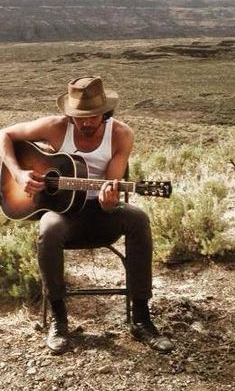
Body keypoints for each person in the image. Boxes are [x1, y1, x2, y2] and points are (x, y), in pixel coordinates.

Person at [0, 76, 174, 355]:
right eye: (80, 117)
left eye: (92, 116)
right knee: (49, 228)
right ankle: (59, 320)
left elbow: (111, 191)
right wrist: (19, 173)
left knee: (138, 218)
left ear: (105, 111)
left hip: (100, 214)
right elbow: (5, 135)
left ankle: (141, 319)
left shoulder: (121, 134)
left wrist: (108, 201)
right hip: (64, 214)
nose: (86, 123)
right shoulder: (56, 128)